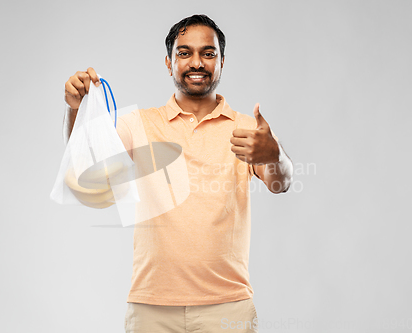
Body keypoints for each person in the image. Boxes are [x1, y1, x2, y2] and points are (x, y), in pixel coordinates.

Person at [62, 14, 293, 333]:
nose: (196, 62)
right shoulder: (139, 124)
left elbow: (281, 183)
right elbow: (86, 162)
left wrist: (276, 155)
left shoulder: (247, 128)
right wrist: (75, 108)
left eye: (207, 53)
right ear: (169, 63)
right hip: (151, 310)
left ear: (222, 62)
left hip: (227, 308)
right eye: (184, 53)